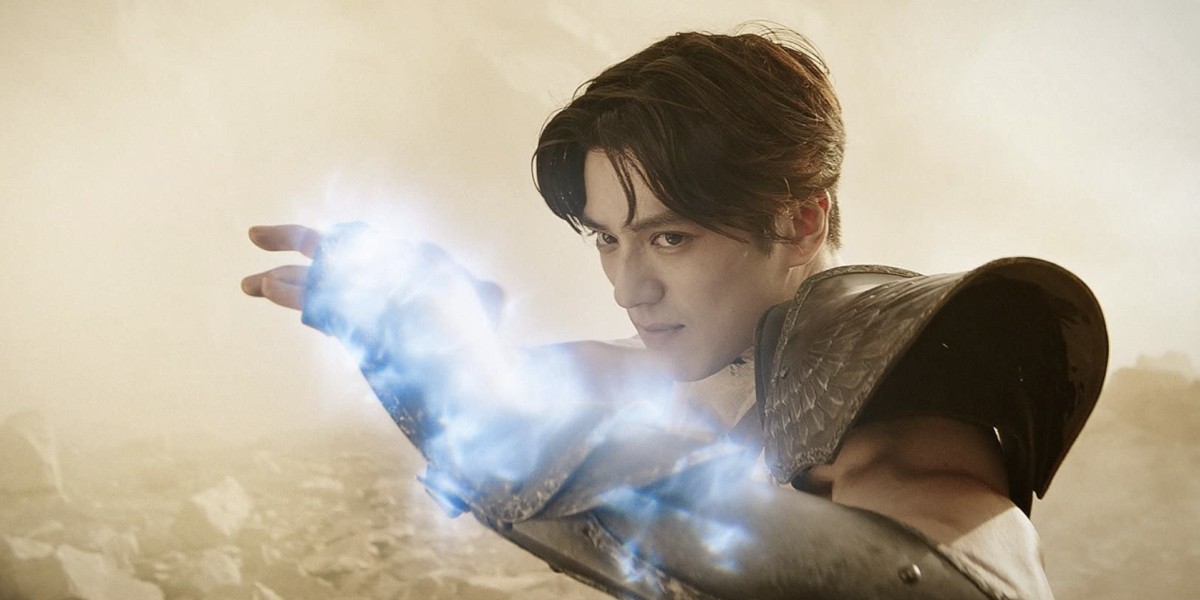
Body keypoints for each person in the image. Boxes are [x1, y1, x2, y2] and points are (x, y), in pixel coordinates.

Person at [242, 27, 1107, 600]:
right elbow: (515, 397)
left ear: (799, 220)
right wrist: (427, 338)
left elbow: (953, 586)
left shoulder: (900, 410)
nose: (629, 289)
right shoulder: (677, 365)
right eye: (606, 240)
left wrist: (482, 400)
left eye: (670, 238)